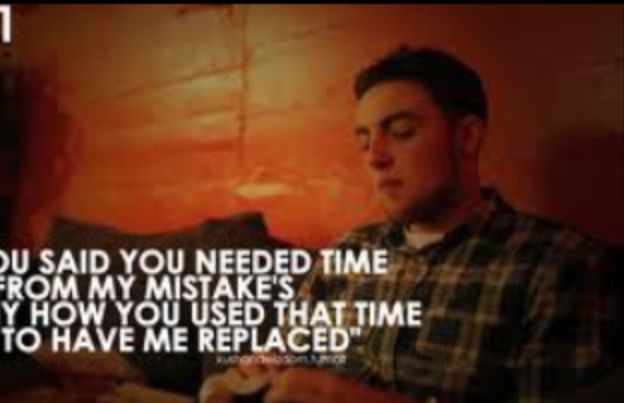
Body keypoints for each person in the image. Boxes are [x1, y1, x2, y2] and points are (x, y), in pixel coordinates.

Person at [198, 46, 620, 403]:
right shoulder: (349, 251)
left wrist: (347, 397)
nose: (374, 157)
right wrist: (239, 381)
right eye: (364, 140)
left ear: (467, 137)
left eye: (400, 132)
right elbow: (275, 362)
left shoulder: (556, 265)